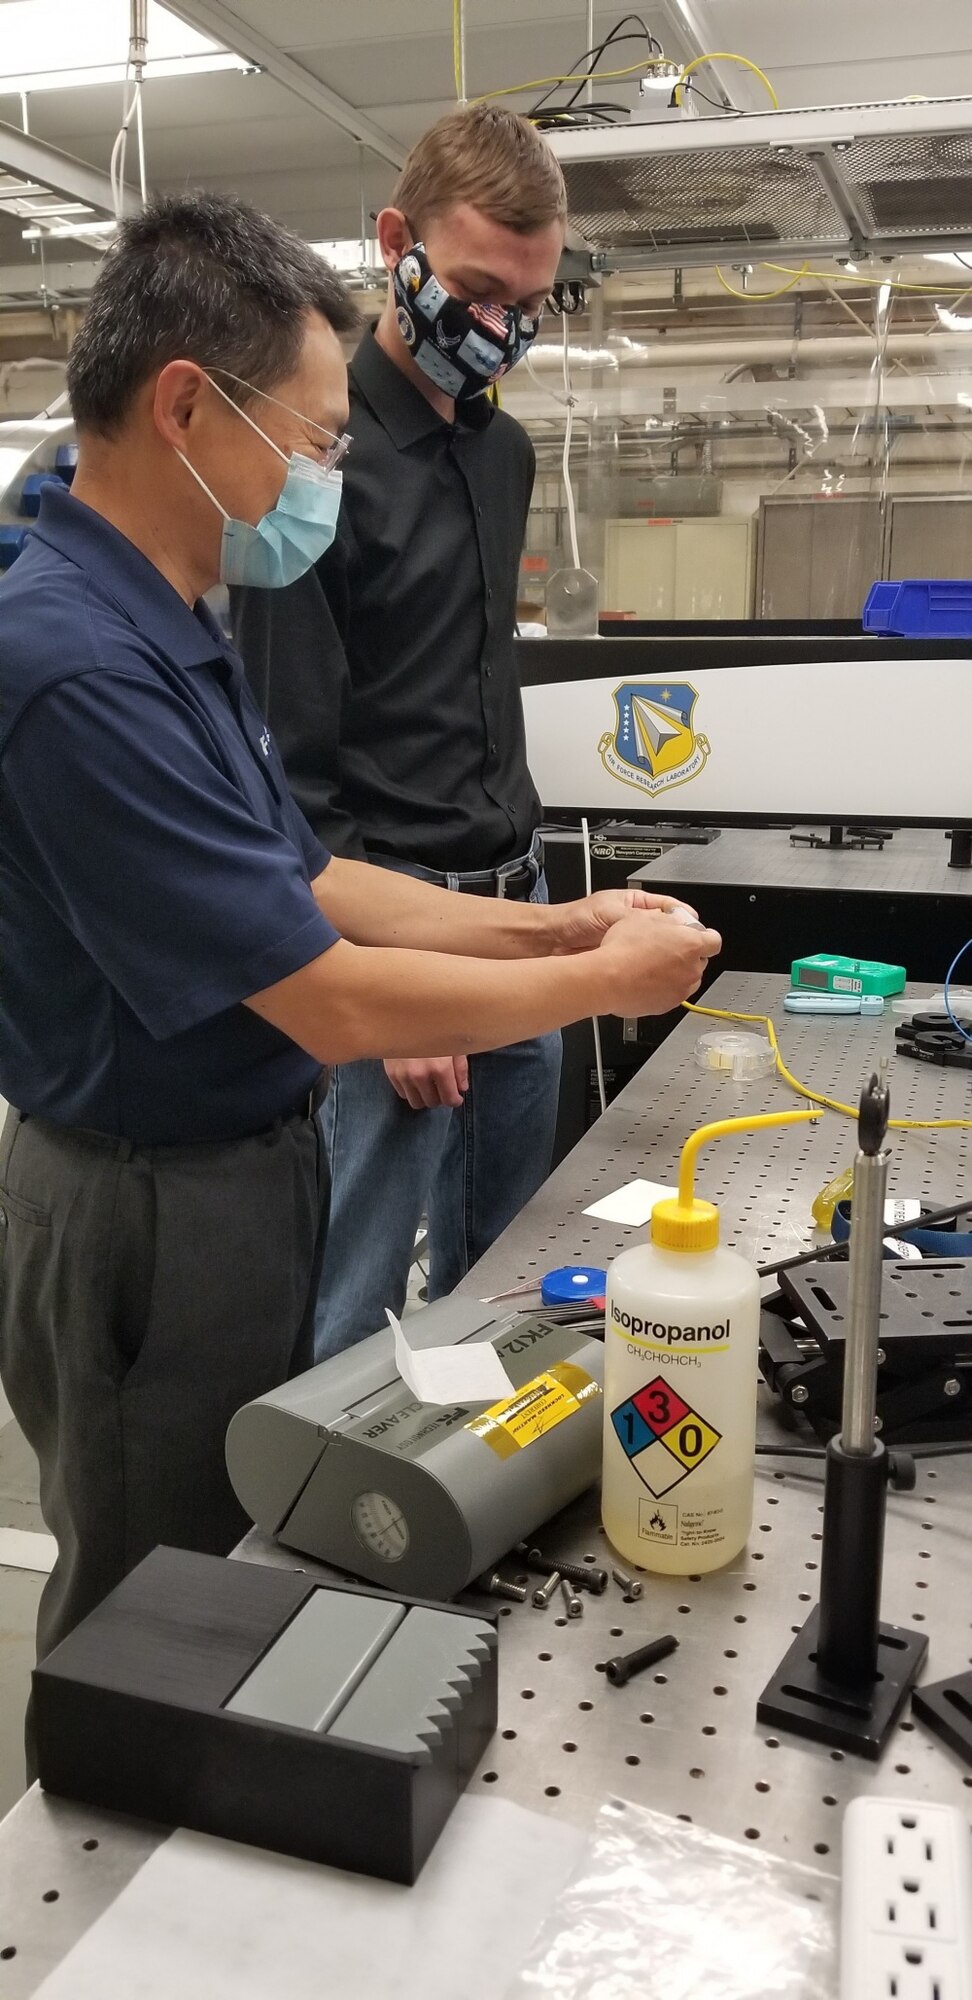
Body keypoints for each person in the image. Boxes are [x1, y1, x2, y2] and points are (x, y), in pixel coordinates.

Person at [0, 190, 721, 1685]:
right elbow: (323, 999)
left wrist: (553, 928)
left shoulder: (169, 619)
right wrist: (600, 983)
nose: (326, 474)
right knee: (152, 1594)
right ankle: (102, 1881)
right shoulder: (74, 663)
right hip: (147, 1207)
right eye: (317, 441)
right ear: (188, 408)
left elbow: (311, 878)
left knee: (234, 1552)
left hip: (236, 1179)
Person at [233, 106, 573, 1360]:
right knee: (360, 1291)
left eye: (533, 299)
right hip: (394, 915)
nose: (506, 324)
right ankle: (323, 1539)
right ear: (397, 243)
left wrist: (552, 923)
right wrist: (396, 997)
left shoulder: (507, 455)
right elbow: (292, 766)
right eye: (482, 287)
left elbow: (473, 687)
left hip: (515, 910)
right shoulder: (316, 467)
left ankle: (478, 1505)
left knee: (512, 1274)